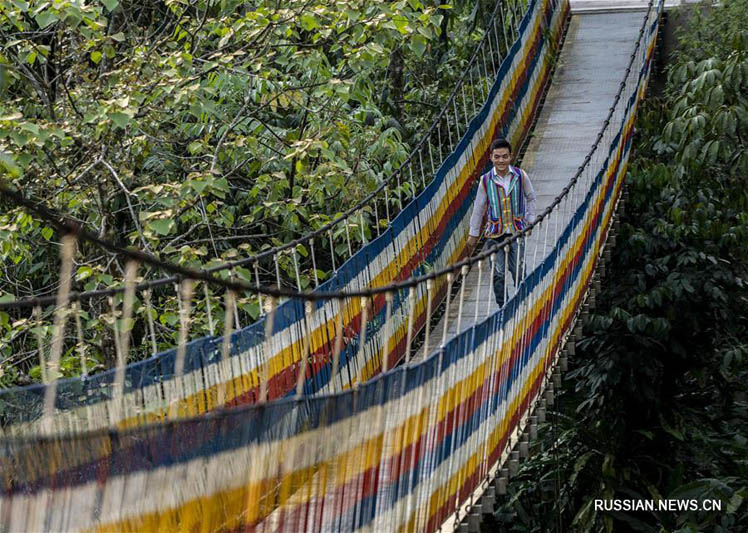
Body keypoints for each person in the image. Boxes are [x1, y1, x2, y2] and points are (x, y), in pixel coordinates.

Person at [466, 138, 537, 306]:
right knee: (498, 274)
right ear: (491, 157)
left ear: (511, 156)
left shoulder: (520, 176)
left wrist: (530, 221)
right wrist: (473, 234)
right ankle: (503, 307)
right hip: (494, 235)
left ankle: (522, 304)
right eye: (497, 157)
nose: (501, 160)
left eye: (504, 156)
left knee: (518, 270)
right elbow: (479, 208)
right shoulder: (485, 180)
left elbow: (531, 198)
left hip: (516, 231)